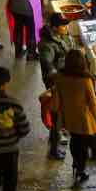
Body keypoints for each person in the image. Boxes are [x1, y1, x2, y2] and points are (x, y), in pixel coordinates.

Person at [53, 49, 96, 184]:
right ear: (82, 62)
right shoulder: (85, 80)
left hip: (70, 117)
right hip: (84, 119)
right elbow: (93, 103)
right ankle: (81, 169)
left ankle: (76, 164)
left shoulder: (60, 77)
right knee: (84, 144)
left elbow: (56, 102)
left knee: (75, 140)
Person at [36, 15, 70, 161]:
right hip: (55, 83)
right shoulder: (46, 45)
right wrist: (59, 81)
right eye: (63, 26)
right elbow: (47, 65)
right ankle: (54, 150)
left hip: (64, 80)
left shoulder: (62, 36)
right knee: (56, 116)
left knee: (60, 114)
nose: (66, 28)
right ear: (55, 28)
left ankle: (56, 138)